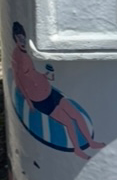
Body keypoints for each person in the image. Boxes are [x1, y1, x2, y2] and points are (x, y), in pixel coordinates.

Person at [11, 22, 104, 158]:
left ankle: (91, 142)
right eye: (19, 39)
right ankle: (77, 149)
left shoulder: (27, 51)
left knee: (76, 115)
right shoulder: (17, 56)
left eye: (23, 38)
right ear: (14, 38)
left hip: (50, 92)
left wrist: (45, 76)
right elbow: (19, 81)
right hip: (40, 100)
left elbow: (32, 73)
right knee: (68, 122)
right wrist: (28, 101)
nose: (22, 41)